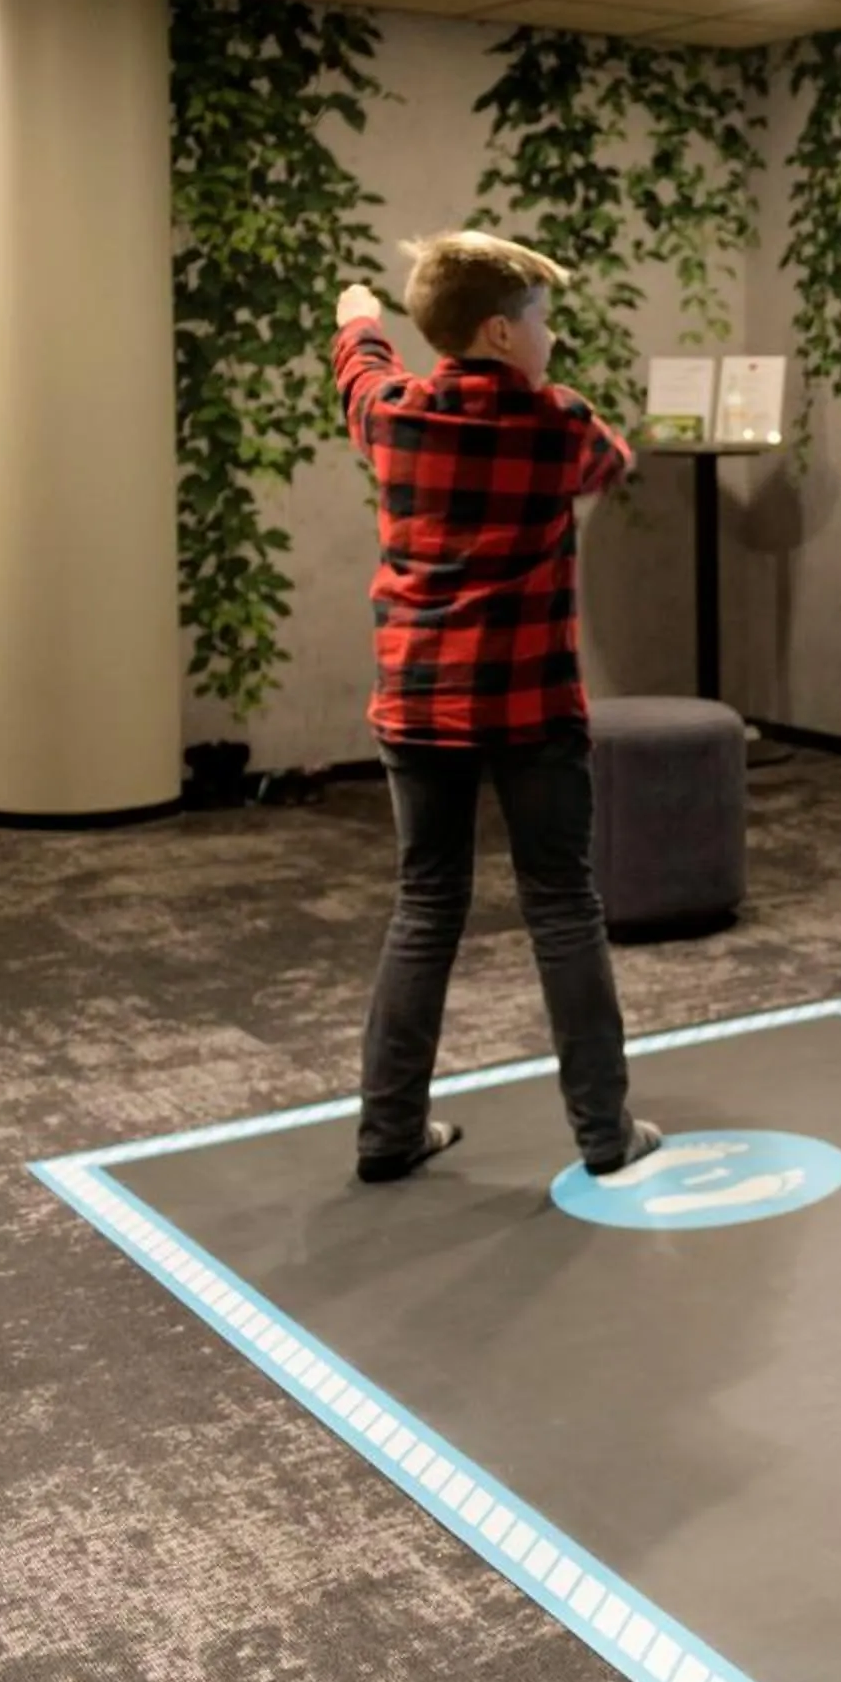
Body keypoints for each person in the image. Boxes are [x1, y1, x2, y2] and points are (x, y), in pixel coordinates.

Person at [332, 232, 661, 1187]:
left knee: (426, 905)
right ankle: (605, 1134)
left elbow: (363, 366)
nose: (549, 337)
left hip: (418, 703)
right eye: (540, 321)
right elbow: (613, 462)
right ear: (498, 332)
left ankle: (388, 1133)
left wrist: (359, 312)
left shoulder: (394, 416)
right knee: (562, 907)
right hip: (531, 708)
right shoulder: (558, 424)